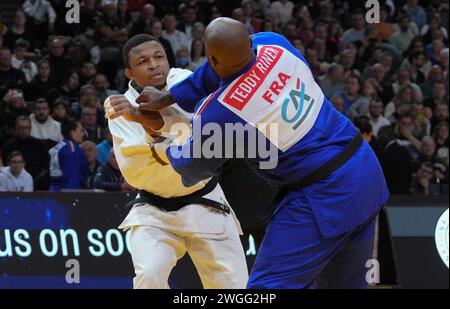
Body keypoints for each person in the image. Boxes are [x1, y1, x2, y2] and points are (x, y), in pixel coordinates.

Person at [123, 19, 390, 289]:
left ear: (212, 59)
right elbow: (221, 66)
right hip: (364, 168)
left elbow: (193, 169)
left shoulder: (222, 111)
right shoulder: (274, 42)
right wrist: (169, 98)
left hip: (322, 196)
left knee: (265, 289)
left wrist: (162, 144)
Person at [104, 34, 247, 289]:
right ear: (129, 72)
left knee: (234, 285)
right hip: (154, 210)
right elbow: (135, 173)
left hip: (206, 201)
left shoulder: (184, 81)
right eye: (143, 61)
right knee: (149, 274)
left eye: (159, 57)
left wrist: (154, 140)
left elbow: (200, 136)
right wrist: (174, 144)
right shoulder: (118, 107)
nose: (153, 64)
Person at [48, 118, 88, 191]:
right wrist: (71, 197)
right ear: (72, 132)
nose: (83, 134)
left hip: (55, 190)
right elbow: (72, 177)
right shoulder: (71, 149)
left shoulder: (60, 146)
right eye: (81, 130)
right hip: (65, 194)